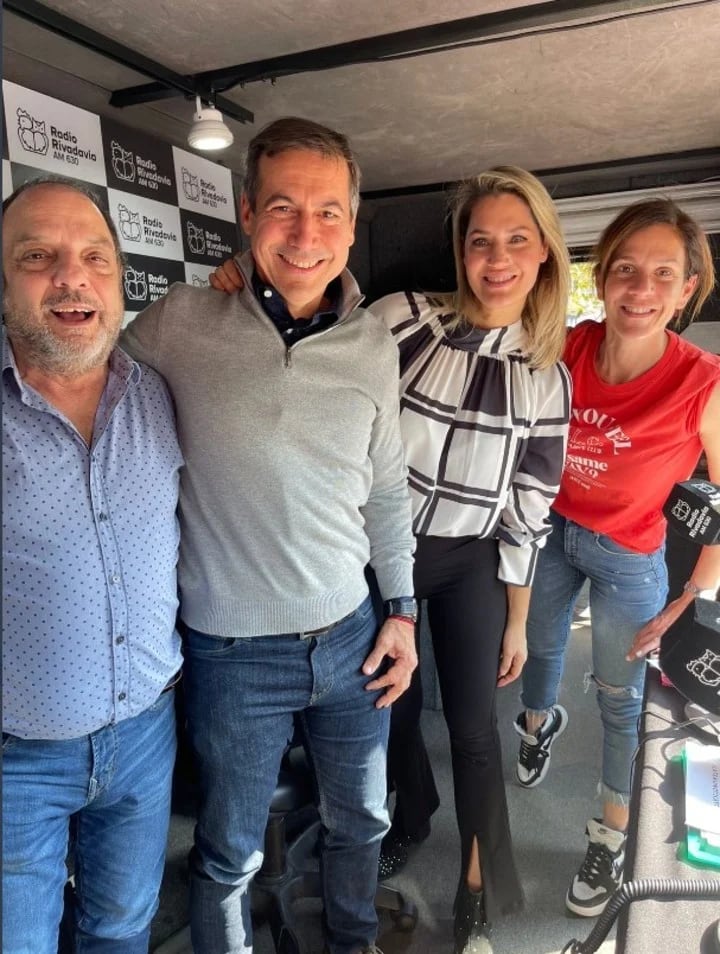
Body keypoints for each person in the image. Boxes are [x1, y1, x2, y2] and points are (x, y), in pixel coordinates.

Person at [211, 165, 573, 954]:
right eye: (480, 240)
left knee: (475, 731)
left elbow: (529, 510)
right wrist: (243, 283)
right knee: (390, 706)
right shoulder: (405, 318)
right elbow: (314, 331)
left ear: (545, 253)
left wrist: (518, 621)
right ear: (461, 250)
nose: (497, 257)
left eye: (517, 240)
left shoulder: (548, 374)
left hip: (471, 560)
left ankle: (477, 891)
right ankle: (411, 814)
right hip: (383, 552)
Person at [121, 117, 416, 954]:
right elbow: (83, 387)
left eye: (328, 212)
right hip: (232, 651)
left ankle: (350, 944)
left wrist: (401, 611)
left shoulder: (373, 345)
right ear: (247, 213)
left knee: (362, 822)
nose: (306, 232)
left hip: (356, 636)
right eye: (283, 208)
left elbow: (387, 489)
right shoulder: (181, 323)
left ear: (353, 226)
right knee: (229, 853)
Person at [515, 198, 720, 918]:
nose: (641, 288)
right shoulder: (566, 345)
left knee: (618, 694)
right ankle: (537, 727)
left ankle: (609, 834)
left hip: (630, 555)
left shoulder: (704, 381)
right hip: (552, 532)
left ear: (688, 288)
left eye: (663, 273)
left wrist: (689, 595)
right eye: (625, 269)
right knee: (537, 653)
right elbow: (480, 313)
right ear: (601, 278)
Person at [2, 176, 183, 954]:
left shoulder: (164, 394)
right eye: (38, 256)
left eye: (94, 257)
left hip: (146, 736)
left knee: (121, 930)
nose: (71, 277)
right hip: (16, 763)